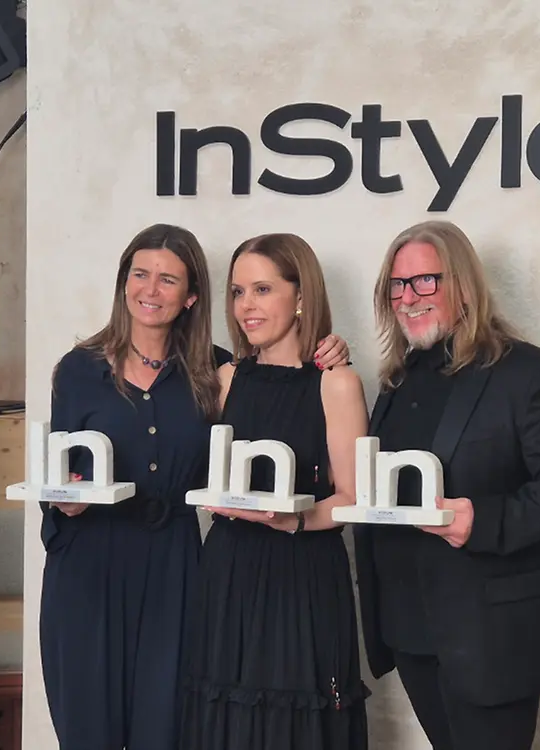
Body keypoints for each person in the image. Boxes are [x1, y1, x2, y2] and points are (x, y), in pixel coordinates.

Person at [39, 224, 350, 750]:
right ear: (123, 283)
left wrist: (331, 350)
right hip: (87, 572)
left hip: (177, 571)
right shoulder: (78, 370)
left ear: (191, 297)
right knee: (87, 729)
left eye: (167, 279)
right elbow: (58, 470)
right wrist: (62, 501)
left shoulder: (218, 371)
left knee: (168, 728)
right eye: (140, 274)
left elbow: (282, 389)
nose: (150, 290)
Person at [353, 220, 540, 750]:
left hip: (492, 635)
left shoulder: (531, 374)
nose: (408, 297)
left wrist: (481, 520)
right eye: (397, 285)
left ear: (464, 286)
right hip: (410, 629)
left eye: (425, 281)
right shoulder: (397, 380)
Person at [179, 233, 371, 750]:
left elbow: (353, 497)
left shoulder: (336, 383)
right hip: (228, 570)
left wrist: (295, 521)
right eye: (238, 292)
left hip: (302, 575)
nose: (247, 306)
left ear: (301, 295)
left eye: (262, 289)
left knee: (296, 722)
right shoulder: (225, 377)